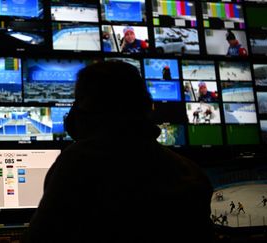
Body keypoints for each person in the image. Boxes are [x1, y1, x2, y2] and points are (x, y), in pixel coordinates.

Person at [24, 61, 215, 242]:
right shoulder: (190, 172)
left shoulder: (78, 161)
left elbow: (39, 237)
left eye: (78, 102)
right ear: (146, 108)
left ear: (85, 111)